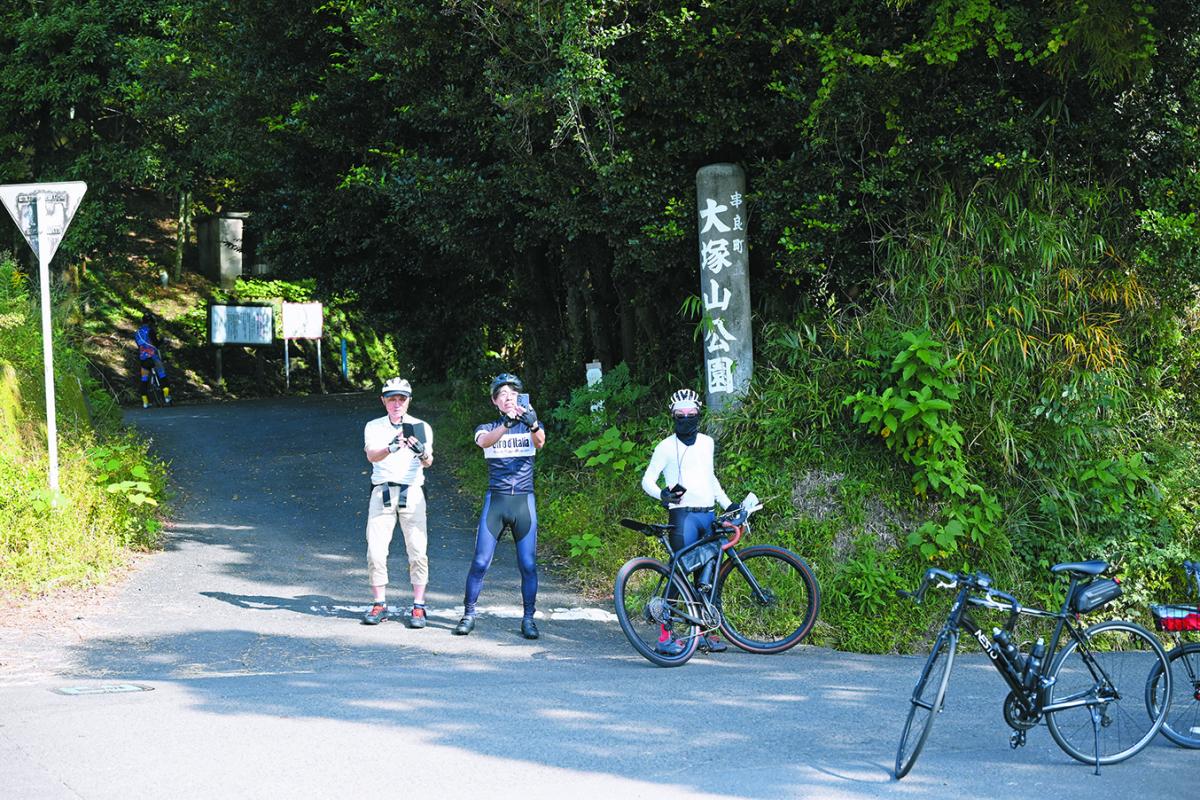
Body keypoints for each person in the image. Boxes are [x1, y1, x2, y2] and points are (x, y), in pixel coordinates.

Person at [640, 388, 739, 656]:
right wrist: (662, 494)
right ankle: (664, 636)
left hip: (708, 514)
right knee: (679, 572)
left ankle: (706, 633)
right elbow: (647, 480)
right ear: (673, 416)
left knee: (707, 577)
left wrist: (727, 503)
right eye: (680, 414)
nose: (686, 418)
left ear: (698, 413)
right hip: (682, 516)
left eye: (690, 413)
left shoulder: (707, 443)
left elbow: (711, 477)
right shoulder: (665, 446)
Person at [453, 373, 546, 639]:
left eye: (513, 394)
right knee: (481, 562)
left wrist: (534, 424)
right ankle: (468, 613)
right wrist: (506, 423)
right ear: (495, 401)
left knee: (528, 565)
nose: (509, 397)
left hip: (523, 501)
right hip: (497, 500)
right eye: (502, 394)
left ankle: (529, 618)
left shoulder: (530, 425)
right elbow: (485, 441)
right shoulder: (487, 426)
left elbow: (540, 443)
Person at [362, 377, 435, 628]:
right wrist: (391, 447)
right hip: (382, 490)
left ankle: (419, 606)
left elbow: (429, 461)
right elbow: (371, 455)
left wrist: (421, 452)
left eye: (401, 399)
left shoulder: (421, 426)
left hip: (412, 491)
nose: (396, 404)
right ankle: (379, 603)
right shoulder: (374, 426)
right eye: (391, 399)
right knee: (376, 550)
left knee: (417, 550)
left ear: (408, 401)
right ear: (383, 401)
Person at [134, 312, 172, 407]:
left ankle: (145, 402)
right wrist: (163, 340)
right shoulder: (150, 331)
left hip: (143, 358)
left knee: (144, 379)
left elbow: (140, 345)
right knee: (162, 374)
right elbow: (156, 344)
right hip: (153, 357)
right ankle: (166, 396)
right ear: (150, 322)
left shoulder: (137, 333)